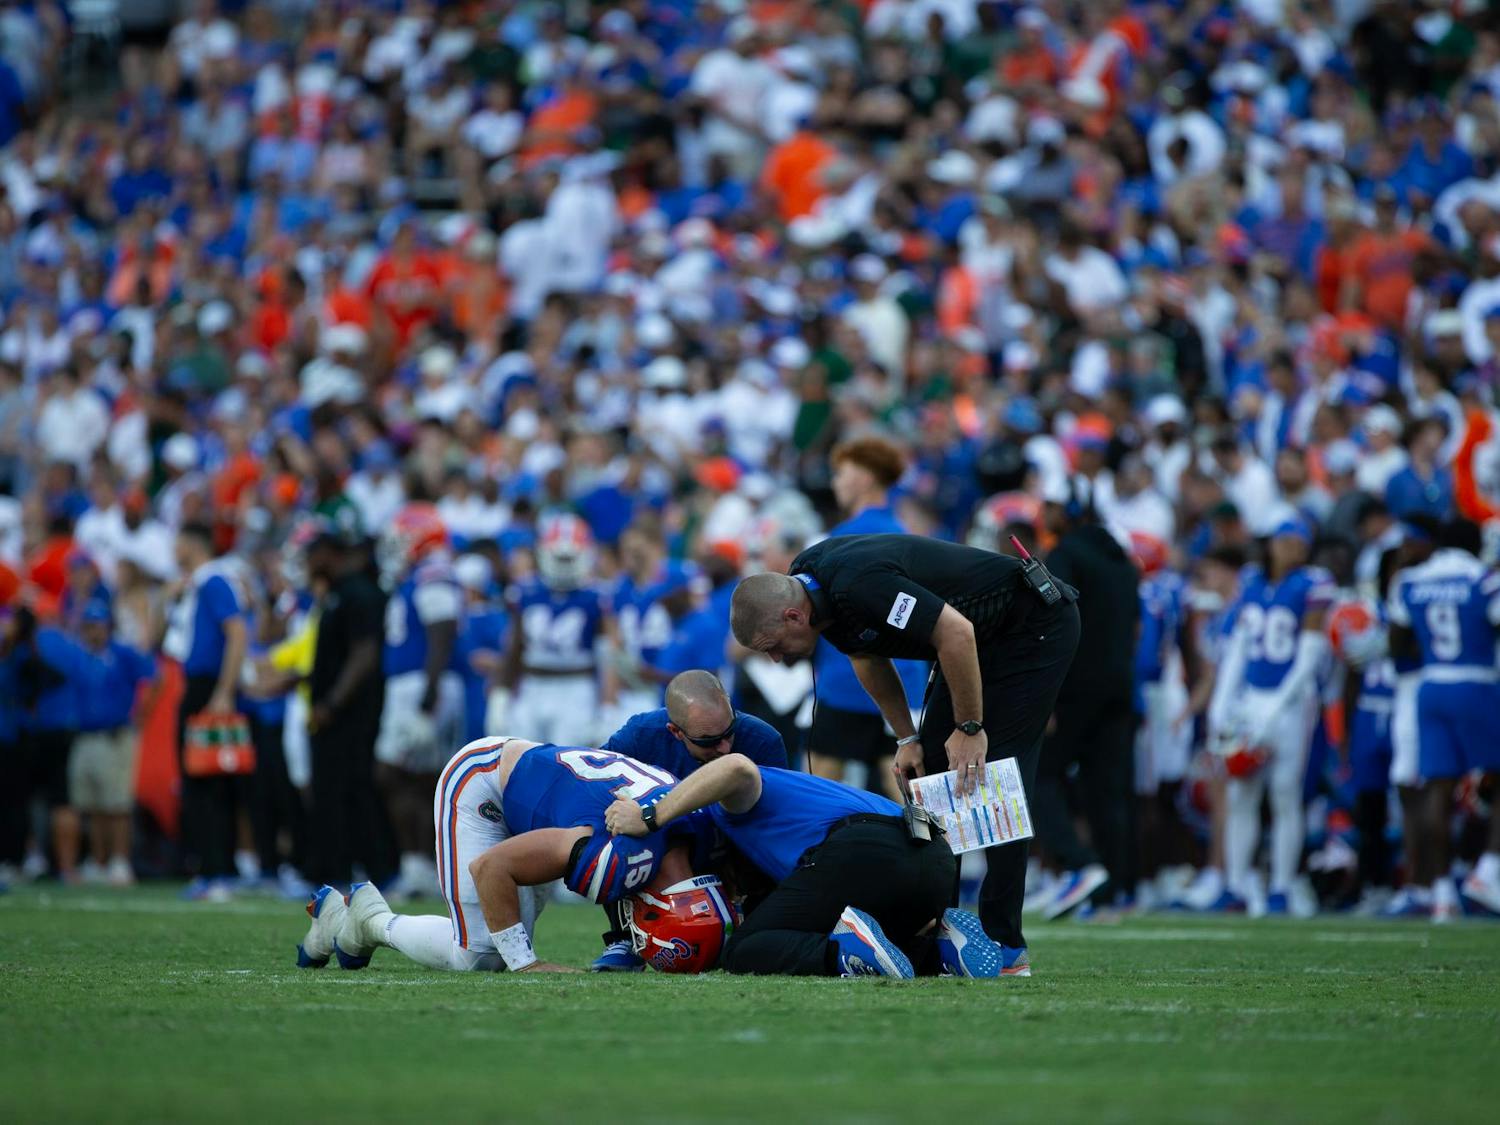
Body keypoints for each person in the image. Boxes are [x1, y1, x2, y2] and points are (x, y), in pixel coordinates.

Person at [729, 532, 1080, 966]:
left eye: (773, 647)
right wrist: (907, 738)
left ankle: (1005, 943)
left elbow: (956, 633)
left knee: (992, 775)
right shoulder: (813, 584)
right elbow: (865, 656)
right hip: (978, 639)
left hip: (1031, 626)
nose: (777, 660)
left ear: (793, 616)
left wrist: (970, 726)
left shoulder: (859, 584)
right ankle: (942, 930)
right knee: (933, 773)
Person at [297, 737, 707, 974]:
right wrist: (525, 963)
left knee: (501, 932)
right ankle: (365, 921)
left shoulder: (692, 824)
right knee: (482, 957)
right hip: (482, 784)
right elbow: (491, 868)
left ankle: (359, 921)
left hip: (537, 783)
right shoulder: (609, 855)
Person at [604, 753, 1011, 978]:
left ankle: (843, 951)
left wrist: (651, 816)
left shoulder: (726, 807)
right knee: (881, 945)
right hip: (934, 856)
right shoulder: (801, 800)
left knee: (744, 950)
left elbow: (735, 767)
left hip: (863, 850)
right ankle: (939, 949)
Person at [589, 668, 786, 971]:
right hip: (660, 849)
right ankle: (624, 935)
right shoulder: (640, 736)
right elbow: (595, 789)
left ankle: (747, 921)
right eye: (709, 741)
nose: (725, 747)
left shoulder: (762, 740)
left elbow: (769, 826)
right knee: (613, 820)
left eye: (729, 732)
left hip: (733, 845)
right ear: (675, 732)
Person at [1207, 517, 1333, 914]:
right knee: (1241, 793)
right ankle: (1236, 883)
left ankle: (1280, 886)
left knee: (1284, 793)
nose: (1289, 548)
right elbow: (1239, 650)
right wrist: (1221, 704)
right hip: (1251, 700)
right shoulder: (1254, 583)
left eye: (1297, 542)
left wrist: (1276, 708)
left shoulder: (1314, 583)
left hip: (1292, 702)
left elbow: (1310, 655)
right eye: (1283, 540)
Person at [1032, 476, 1141, 918]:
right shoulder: (1122, 561)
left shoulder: (1065, 556)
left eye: (1053, 506)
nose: (1045, 515)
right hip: (1118, 685)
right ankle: (1114, 886)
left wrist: (1047, 693)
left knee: (1036, 776)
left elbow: (1054, 624)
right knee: (1108, 790)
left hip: (1075, 688)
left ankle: (1080, 867)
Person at [1388, 518, 1500, 921]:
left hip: (1429, 685)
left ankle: (1441, 894)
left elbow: (1397, 642)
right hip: (1476, 681)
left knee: (1438, 788)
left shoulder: (1411, 581)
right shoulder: (1483, 579)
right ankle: (1487, 871)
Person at [806, 437, 927, 799]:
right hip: (906, 681)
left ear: (863, 477)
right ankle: (935, 853)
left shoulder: (839, 539)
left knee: (822, 781)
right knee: (904, 782)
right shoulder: (907, 536)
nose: (835, 482)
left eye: (841, 473)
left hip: (847, 680)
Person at [374, 503, 466, 900]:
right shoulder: (418, 575)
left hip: (422, 685)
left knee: (399, 774)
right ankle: (421, 867)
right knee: (417, 778)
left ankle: (424, 866)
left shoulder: (433, 573)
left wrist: (429, 693)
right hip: (416, 684)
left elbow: (441, 630)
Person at [303, 519, 393, 891]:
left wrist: (332, 703)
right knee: (333, 790)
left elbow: (364, 654)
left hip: (351, 715)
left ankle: (363, 869)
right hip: (338, 712)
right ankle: (337, 868)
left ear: (330, 553)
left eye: (313, 553)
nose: (308, 561)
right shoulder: (339, 593)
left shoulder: (359, 594)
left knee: (349, 790)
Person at [161, 522, 249, 901]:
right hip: (197, 686)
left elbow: (237, 632)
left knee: (207, 780)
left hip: (208, 689)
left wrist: (224, 691)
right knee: (199, 780)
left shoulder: (214, 581)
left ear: (191, 542)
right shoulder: (193, 586)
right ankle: (211, 869)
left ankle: (217, 872)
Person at [502, 513, 619, 746]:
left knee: (567, 765)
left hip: (575, 689)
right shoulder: (525, 591)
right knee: (520, 762)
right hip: (531, 685)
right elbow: (513, 647)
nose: (564, 565)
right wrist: (501, 693)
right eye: (559, 558)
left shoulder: (597, 597)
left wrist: (608, 705)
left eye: (570, 558)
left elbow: (608, 657)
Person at [70, 600, 155, 886]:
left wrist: (141, 715)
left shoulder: (122, 653)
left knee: (117, 803)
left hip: (115, 734)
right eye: (89, 626)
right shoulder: (81, 655)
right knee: (92, 804)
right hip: (86, 735)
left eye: (98, 626)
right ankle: (98, 860)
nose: (93, 632)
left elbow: (156, 678)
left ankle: (120, 860)